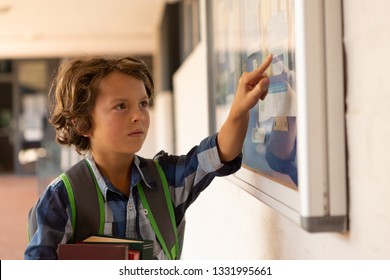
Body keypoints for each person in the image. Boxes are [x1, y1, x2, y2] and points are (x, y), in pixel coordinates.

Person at [25, 55, 272, 260]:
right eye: (121, 106)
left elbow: (219, 153)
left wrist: (239, 110)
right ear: (82, 123)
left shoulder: (166, 179)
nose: (138, 116)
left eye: (143, 104)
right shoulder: (61, 198)